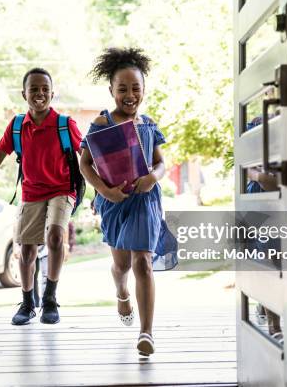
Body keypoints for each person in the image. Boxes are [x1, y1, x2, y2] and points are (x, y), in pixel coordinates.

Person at [79, 47, 171, 356]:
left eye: (136, 88)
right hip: (114, 201)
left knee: (142, 261)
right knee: (121, 266)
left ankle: (147, 332)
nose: (129, 94)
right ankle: (121, 291)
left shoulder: (148, 123)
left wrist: (152, 178)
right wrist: (104, 192)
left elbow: (161, 163)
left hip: (145, 199)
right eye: (122, 89)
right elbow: (85, 164)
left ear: (143, 91)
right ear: (111, 91)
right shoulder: (102, 124)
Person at [0, 67, 82, 325]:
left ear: (52, 93)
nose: (40, 93)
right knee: (27, 251)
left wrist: (101, 185)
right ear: (24, 93)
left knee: (56, 236)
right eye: (34, 89)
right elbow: (0, 152)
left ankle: (50, 298)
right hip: (31, 192)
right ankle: (27, 303)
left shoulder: (64, 124)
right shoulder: (17, 125)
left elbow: (86, 155)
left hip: (62, 188)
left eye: (45, 89)